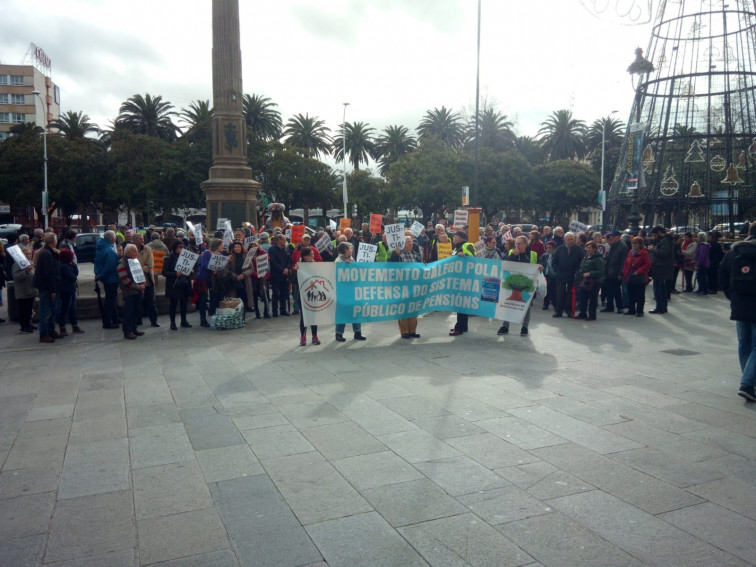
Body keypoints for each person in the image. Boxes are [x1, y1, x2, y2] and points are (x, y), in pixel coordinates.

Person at [718, 221, 756, 401]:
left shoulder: (735, 251)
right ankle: (747, 383)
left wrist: (731, 295)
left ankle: (747, 379)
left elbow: (721, 272)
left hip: (740, 302)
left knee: (744, 343)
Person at [498, 235, 542, 336]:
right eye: (516, 243)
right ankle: (505, 326)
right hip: (511, 283)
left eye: (519, 243)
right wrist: (513, 255)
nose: (517, 245)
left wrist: (541, 266)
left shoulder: (533, 254)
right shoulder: (511, 252)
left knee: (525, 306)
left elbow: (539, 264)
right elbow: (504, 264)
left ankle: (524, 327)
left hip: (526, 284)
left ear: (526, 244)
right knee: (507, 304)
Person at [389, 236, 422, 339]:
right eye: (408, 242)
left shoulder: (416, 255)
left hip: (414, 285)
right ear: (402, 244)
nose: (410, 244)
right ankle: (404, 331)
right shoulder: (397, 255)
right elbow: (388, 267)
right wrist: (395, 254)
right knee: (403, 308)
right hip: (402, 286)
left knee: (413, 308)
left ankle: (413, 330)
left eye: (411, 242)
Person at [32, 232, 61, 343]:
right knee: (46, 310)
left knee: (52, 309)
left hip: (49, 285)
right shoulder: (46, 253)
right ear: (53, 241)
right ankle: (44, 333)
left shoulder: (48, 252)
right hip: (46, 287)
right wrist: (52, 289)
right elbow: (48, 273)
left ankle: (51, 330)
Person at [334, 242, 367, 342]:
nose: (351, 250)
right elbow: (338, 274)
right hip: (344, 291)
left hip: (353, 289)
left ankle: (357, 332)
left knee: (356, 310)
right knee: (343, 312)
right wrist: (345, 266)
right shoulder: (339, 260)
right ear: (345, 250)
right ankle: (339, 333)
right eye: (349, 248)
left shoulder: (351, 259)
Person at [551, 232, 584, 318]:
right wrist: (558, 272)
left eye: (572, 239)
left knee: (570, 294)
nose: (571, 241)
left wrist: (578, 272)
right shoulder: (559, 249)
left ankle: (569, 310)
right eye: (569, 239)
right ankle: (558, 311)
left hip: (573, 275)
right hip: (561, 275)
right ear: (565, 240)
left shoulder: (578, 249)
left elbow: (582, 262)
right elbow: (554, 262)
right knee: (560, 293)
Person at [449, 231, 476, 336]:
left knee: (461, 303)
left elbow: (474, 258)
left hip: (465, 279)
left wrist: (464, 255)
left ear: (460, 237)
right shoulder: (456, 248)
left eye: (454, 236)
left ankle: (459, 328)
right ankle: (462, 326)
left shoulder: (467, 245)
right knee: (461, 303)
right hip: (458, 278)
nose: (453, 238)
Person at [162, 240, 193, 330]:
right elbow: (164, 272)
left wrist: (190, 272)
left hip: (184, 283)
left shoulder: (185, 257)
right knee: (173, 304)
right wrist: (175, 274)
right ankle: (173, 323)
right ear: (175, 248)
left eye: (183, 247)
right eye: (180, 247)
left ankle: (184, 321)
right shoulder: (169, 258)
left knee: (184, 303)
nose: (182, 249)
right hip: (174, 285)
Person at [118, 244, 147, 339]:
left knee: (136, 311)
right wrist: (137, 286)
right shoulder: (122, 263)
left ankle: (133, 328)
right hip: (129, 292)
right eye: (135, 251)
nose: (137, 253)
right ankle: (127, 331)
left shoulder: (134, 261)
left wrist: (142, 283)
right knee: (129, 312)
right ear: (128, 252)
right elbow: (124, 279)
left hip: (137, 291)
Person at [94, 230, 120, 329]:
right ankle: (107, 321)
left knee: (111, 299)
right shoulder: (110, 251)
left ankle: (114, 319)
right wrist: (101, 276)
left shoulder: (101, 248)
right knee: (110, 300)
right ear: (112, 239)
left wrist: (99, 275)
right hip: (111, 278)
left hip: (105, 277)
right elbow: (110, 267)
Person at [294, 247, 320, 345]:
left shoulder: (315, 265)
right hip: (302, 295)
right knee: (304, 316)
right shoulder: (299, 265)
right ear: (305, 256)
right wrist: (296, 271)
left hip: (314, 294)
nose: (313, 256)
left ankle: (315, 336)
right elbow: (293, 281)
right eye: (311, 254)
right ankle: (303, 337)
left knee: (313, 315)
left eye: (313, 254)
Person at [622, 236, 652, 316]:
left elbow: (648, 264)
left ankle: (639, 311)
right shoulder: (631, 251)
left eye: (635, 243)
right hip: (630, 275)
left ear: (640, 244)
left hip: (639, 277)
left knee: (639, 295)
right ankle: (631, 309)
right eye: (632, 242)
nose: (633, 244)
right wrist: (624, 272)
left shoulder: (644, 252)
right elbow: (626, 263)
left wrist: (638, 271)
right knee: (631, 294)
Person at [575, 241, 605, 320]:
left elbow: (601, 271)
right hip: (585, 281)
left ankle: (592, 315)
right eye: (586, 248)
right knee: (583, 297)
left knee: (592, 299)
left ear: (594, 249)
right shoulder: (585, 257)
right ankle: (582, 313)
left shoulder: (598, 258)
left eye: (589, 248)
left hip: (595, 281)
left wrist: (590, 273)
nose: (587, 249)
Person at [57, 248, 83, 336]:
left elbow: (76, 273)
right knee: (65, 309)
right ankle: (62, 327)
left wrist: (74, 265)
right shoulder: (63, 266)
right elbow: (73, 277)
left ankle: (74, 326)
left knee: (72, 309)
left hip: (70, 289)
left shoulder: (68, 265)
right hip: (66, 290)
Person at [648, 226, 674, 314]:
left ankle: (659, 307)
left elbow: (663, 253)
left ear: (659, 232)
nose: (654, 237)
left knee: (658, 288)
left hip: (661, 267)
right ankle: (663, 306)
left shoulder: (665, 240)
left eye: (655, 235)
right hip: (663, 267)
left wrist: (653, 250)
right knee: (662, 287)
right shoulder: (666, 239)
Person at [601, 230, 628, 313]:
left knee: (616, 290)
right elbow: (609, 257)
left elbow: (623, 262)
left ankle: (619, 307)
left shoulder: (623, 247)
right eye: (611, 236)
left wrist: (620, 273)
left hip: (616, 271)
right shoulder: (613, 245)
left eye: (614, 236)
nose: (612, 238)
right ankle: (610, 306)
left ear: (619, 237)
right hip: (609, 271)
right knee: (609, 290)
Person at [12, 247, 37, 334]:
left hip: (31, 290)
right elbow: (16, 277)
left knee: (29, 310)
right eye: (26, 254)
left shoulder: (30, 263)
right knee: (24, 310)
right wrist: (26, 271)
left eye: (29, 253)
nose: (28, 255)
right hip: (23, 291)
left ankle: (28, 324)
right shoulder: (17, 264)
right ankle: (24, 326)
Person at [268, 234, 292, 317]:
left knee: (284, 293)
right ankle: (275, 311)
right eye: (284, 239)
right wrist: (282, 270)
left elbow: (289, 259)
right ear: (278, 240)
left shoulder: (286, 248)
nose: (285, 241)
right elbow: (273, 262)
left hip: (285, 275)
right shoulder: (272, 249)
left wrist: (287, 268)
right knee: (275, 293)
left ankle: (283, 309)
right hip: (276, 274)